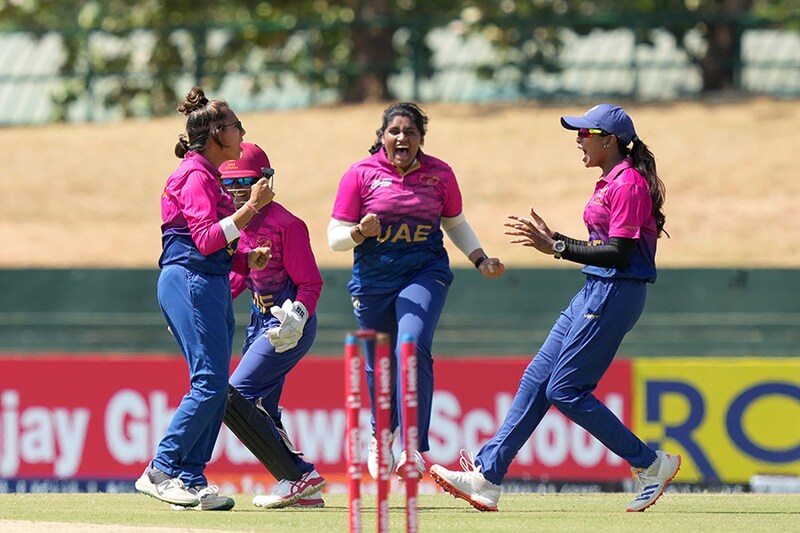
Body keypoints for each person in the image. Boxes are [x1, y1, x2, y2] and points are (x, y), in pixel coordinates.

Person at [429, 104, 680, 513]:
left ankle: (651, 464)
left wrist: (557, 246)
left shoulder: (629, 183)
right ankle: (487, 475)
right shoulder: (609, 180)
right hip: (594, 289)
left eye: (584, 134)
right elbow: (604, 249)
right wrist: (558, 242)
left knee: (564, 389)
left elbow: (619, 253)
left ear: (608, 140)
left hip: (617, 292)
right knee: (537, 377)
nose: (578, 140)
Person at [327, 102, 505, 481]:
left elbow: (455, 223)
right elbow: (334, 239)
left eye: (410, 132)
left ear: (421, 137)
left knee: (411, 344)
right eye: (395, 132)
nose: (402, 138)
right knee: (379, 364)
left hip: (425, 273)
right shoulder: (360, 174)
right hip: (373, 282)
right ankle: (381, 438)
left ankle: (412, 444)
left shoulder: (439, 174)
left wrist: (480, 259)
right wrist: (360, 232)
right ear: (383, 137)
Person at [135, 87, 273, 511]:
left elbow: (217, 242)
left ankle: (190, 476)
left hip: (207, 281)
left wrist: (247, 254)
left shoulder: (206, 176)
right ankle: (161, 470)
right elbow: (207, 239)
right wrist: (250, 208)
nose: (241, 131)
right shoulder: (193, 176)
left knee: (214, 385)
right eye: (235, 126)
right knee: (210, 382)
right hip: (191, 280)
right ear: (216, 132)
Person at [219, 142, 327, 509]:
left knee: (232, 396)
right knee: (264, 406)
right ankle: (299, 486)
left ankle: (299, 476)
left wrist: (297, 317)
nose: (234, 192)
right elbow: (239, 278)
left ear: (265, 181)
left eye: (244, 182)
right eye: (227, 183)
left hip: (288, 325)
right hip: (259, 321)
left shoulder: (286, 225)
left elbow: (311, 283)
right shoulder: (236, 225)